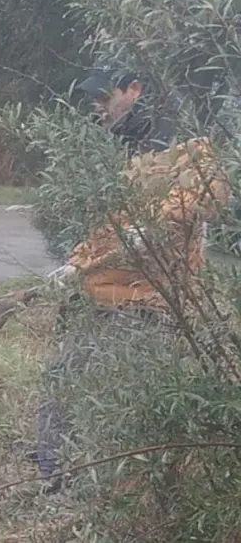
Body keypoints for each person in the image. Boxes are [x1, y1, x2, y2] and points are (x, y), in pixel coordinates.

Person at [31, 68, 230, 491]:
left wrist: (158, 223)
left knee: (128, 395)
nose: (97, 106)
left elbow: (209, 193)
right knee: (62, 379)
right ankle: (53, 475)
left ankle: (127, 489)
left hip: (152, 299)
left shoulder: (177, 141)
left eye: (105, 96)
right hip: (104, 292)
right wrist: (76, 261)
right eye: (91, 99)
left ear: (134, 90)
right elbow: (103, 224)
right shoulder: (111, 147)